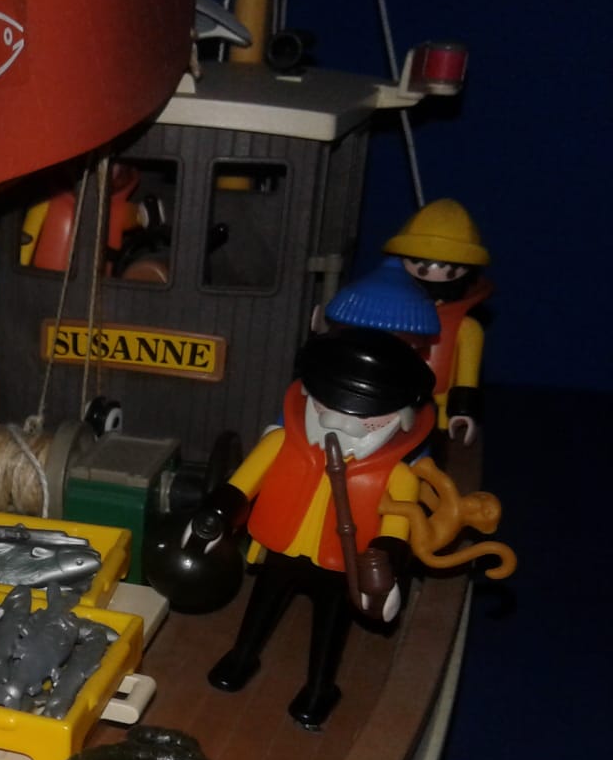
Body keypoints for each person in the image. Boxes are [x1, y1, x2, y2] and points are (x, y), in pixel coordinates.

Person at [193, 328, 436, 729]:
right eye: (327, 404)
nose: (340, 422)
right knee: (260, 609)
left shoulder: (398, 476)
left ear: (402, 418)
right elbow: (241, 486)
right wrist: (215, 517)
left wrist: (382, 571)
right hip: (282, 549)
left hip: (341, 565)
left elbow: (395, 530)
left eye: (367, 418)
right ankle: (242, 657)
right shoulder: (279, 444)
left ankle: (320, 687)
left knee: (329, 629)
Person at [383, 198, 490, 444]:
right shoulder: (390, 315)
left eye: (450, 270)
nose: (432, 275)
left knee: (435, 444)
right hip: (393, 397)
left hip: (440, 402)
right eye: (420, 267)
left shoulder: (467, 328)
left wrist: (463, 410)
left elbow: (467, 377)